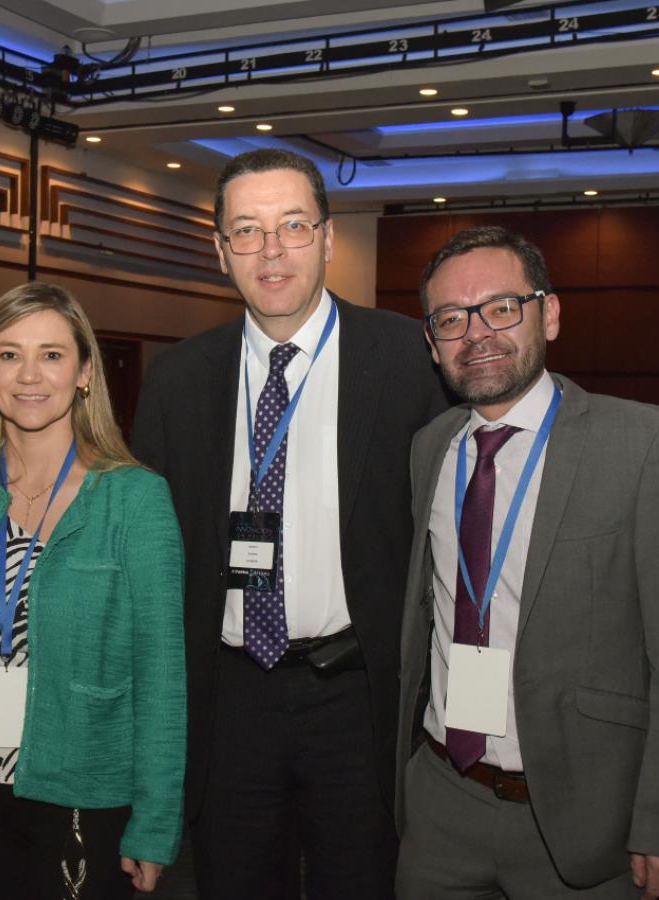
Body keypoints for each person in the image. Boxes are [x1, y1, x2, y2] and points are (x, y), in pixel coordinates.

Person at [130, 148, 449, 899]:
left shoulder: (408, 358)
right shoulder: (179, 378)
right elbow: (149, 553)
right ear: (220, 251)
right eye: (247, 230)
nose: (271, 251)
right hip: (229, 699)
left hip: (359, 699)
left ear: (329, 239)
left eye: (293, 226)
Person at [395, 225, 659, 898]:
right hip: (441, 804)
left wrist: (654, 819)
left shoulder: (639, 445)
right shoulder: (431, 447)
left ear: (550, 312)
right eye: (452, 318)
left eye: (501, 307)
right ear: (432, 342)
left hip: (582, 818)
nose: (476, 332)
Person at [0, 282, 186, 899]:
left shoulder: (135, 500)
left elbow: (162, 677)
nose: (30, 374)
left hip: (83, 790)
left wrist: (156, 823)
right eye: (8, 355)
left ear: (85, 373)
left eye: (52, 355)